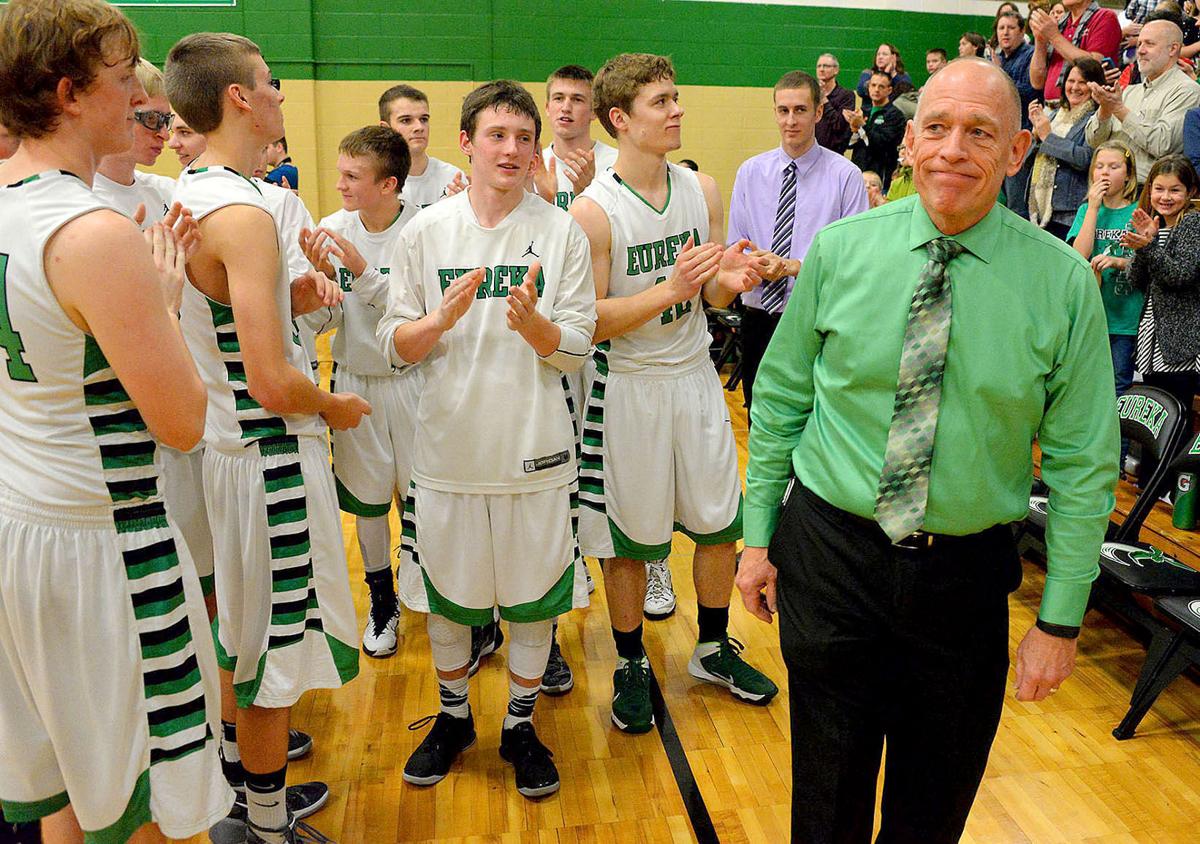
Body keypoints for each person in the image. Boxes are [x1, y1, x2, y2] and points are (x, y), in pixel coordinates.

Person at [738, 58, 1119, 843]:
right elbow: (777, 402)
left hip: (964, 580)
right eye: (937, 128)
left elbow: (1084, 466)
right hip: (832, 556)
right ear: (908, 143)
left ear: (1018, 152)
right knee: (826, 799)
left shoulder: (1062, 284)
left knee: (932, 809)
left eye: (980, 133)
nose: (954, 149)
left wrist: (1061, 620)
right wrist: (753, 540)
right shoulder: (841, 252)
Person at [0, 0, 233, 840]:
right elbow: (181, 422)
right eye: (118, 76)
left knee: (70, 792)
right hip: (104, 547)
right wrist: (165, 309)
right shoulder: (93, 232)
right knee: (157, 809)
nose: (137, 90)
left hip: (18, 530)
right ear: (68, 92)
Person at [165, 32, 369, 844]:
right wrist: (334, 406)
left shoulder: (192, 193)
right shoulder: (246, 214)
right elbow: (271, 380)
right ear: (239, 99)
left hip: (225, 451)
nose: (281, 94)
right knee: (271, 656)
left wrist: (290, 291)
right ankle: (265, 822)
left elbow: (220, 318)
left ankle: (244, 796)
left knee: (238, 634)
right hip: (267, 453)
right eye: (269, 83)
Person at [376, 80, 596, 800]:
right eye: (497, 135)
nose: (512, 148)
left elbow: (579, 344)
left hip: (536, 451)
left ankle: (521, 726)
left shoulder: (560, 231)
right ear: (466, 144)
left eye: (524, 137)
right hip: (446, 453)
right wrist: (434, 324)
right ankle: (454, 718)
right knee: (450, 603)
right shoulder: (424, 232)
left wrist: (537, 329)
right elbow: (393, 345)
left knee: (534, 602)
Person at [569, 52, 777, 737]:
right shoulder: (593, 212)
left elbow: (711, 292)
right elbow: (590, 321)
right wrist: (672, 288)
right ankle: (630, 661)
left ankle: (714, 647)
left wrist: (732, 281)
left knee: (720, 523)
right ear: (621, 120)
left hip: (692, 376)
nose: (678, 109)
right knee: (631, 540)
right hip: (629, 385)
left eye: (677, 97)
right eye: (662, 101)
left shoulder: (701, 189)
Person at [299, 126, 419, 662]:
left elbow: (410, 314)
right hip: (355, 379)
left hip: (417, 381)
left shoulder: (425, 230)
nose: (340, 184)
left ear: (389, 183)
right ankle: (382, 601)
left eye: (352, 176)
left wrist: (360, 271)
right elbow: (328, 319)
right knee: (369, 504)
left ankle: (439, 597)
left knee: (425, 500)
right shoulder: (329, 228)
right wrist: (314, 289)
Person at [727, 70, 868, 415]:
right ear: (775, 111)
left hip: (814, 319)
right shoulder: (750, 172)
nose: (791, 120)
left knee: (810, 421)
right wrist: (753, 264)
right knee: (758, 416)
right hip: (758, 316)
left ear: (818, 112)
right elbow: (735, 248)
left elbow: (854, 260)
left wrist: (792, 267)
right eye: (783, 110)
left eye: (801, 110)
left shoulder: (844, 176)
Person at [1067, 140, 1140, 469]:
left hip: (1125, 317)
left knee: (1118, 390)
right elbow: (1079, 255)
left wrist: (1119, 261)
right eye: (1100, 166)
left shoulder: (1138, 210)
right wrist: (1094, 208)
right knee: (1084, 389)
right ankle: (1085, 456)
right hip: (1091, 316)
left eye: (1114, 167)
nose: (1106, 173)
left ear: (1129, 173)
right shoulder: (1086, 210)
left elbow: (1144, 260)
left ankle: (1117, 460)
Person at [1127, 154, 1200, 419]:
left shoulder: (1193, 224)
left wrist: (1149, 248)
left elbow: (1180, 275)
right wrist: (1147, 243)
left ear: (1190, 191)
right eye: (1159, 189)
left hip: (1179, 346)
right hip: (1151, 341)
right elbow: (1135, 281)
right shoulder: (1154, 226)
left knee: (1174, 423)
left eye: (1174, 190)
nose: (1165, 197)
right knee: (1152, 421)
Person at [1086, 20, 1200, 187]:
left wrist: (1118, 110)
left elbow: (1163, 145)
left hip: (1148, 193)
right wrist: (1105, 108)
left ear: (1173, 49)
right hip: (1108, 192)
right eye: (1139, 43)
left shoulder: (1186, 91)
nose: (1140, 51)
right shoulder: (1129, 92)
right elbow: (1093, 142)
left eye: (1149, 44)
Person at [93, 59, 177, 227]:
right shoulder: (83, 200)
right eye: (152, 119)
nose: (165, 136)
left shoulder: (167, 191)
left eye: (166, 121)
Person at [1027, 58, 1105, 238]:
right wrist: (1036, 136)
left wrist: (1048, 137)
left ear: (1095, 86)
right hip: (1039, 209)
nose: (1075, 87)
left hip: (1069, 214)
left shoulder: (1097, 119)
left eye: (1082, 82)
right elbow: (1027, 163)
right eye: (1071, 81)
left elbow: (1085, 159)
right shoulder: (1054, 115)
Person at [378, 84, 464, 208]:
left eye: (424, 119)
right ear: (385, 129)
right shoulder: (375, 183)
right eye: (406, 120)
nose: (419, 127)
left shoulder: (453, 177)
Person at [1030, 0, 1123, 102]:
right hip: (1050, 107)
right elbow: (1037, 83)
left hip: (1084, 106)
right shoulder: (1060, 23)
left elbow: (1094, 64)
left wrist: (1053, 36)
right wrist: (1040, 41)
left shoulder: (1105, 17)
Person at [847, 71, 907, 191]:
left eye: (881, 86)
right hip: (859, 172)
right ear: (868, 87)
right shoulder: (864, 110)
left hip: (881, 176)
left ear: (889, 90)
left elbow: (882, 143)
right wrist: (854, 130)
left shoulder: (895, 115)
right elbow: (849, 145)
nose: (876, 89)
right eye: (873, 85)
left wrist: (862, 126)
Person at [814, 53, 855, 153]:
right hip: (812, 151)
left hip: (834, 153)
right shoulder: (811, 94)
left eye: (826, 66)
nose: (821, 69)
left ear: (836, 70)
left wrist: (824, 99)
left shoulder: (846, 96)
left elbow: (839, 125)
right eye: (819, 66)